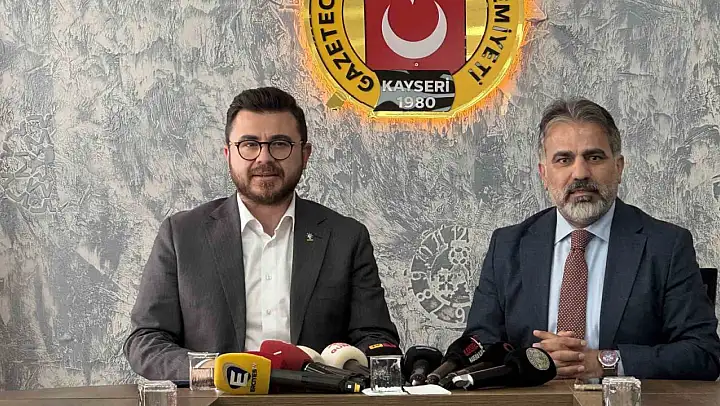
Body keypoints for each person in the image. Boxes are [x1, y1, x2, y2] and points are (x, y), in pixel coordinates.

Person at [124, 87, 400, 380]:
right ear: (228, 154)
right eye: (249, 144)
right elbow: (146, 341)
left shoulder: (346, 237)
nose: (264, 158)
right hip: (217, 398)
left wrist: (350, 368)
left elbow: (375, 337)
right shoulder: (181, 235)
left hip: (318, 398)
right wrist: (213, 371)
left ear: (305, 154)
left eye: (280, 144)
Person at [464, 98, 720, 380]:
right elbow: (477, 346)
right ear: (544, 174)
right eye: (564, 160)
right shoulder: (507, 246)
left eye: (594, 157)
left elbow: (703, 353)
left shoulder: (666, 246)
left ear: (619, 167)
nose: (581, 173)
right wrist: (533, 361)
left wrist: (604, 362)